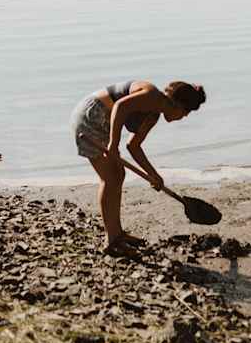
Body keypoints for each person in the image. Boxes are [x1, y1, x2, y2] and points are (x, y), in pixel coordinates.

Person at [69, 79, 207, 254]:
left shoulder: (153, 115)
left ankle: (117, 234)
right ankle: (111, 241)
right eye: (186, 112)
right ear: (178, 105)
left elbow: (133, 146)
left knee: (118, 175)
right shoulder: (151, 95)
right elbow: (120, 107)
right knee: (110, 178)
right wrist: (113, 144)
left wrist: (154, 175)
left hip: (103, 122)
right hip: (90, 116)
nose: (185, 116)